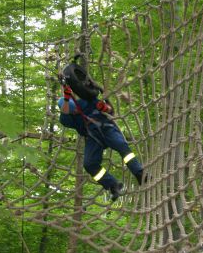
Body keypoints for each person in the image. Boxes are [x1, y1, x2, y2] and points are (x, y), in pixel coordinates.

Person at [58, 70, 144, 201]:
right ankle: (113, 185)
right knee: (89, 164)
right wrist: (65, 93)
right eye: (71, 111)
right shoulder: (66, 118)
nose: (74, 111)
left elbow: (109, 109)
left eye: (74, 108)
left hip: (106, 128)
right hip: (92, 137)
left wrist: (104, 107)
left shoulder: (85, 101)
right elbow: (65, 110)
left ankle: (139, 173)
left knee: (121, 145)